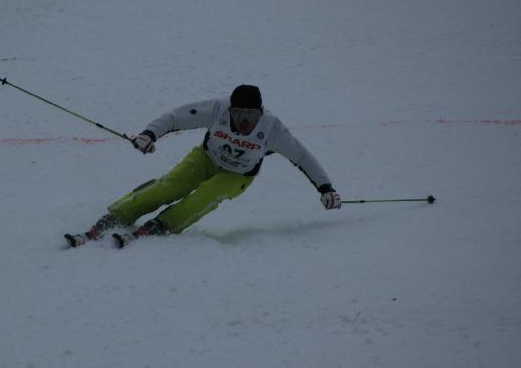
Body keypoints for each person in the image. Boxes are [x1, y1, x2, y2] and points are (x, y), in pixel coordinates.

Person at [64, 84, 341, 248]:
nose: (245, 122)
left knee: (205, 197)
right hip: (206, 158)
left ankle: (166, 224)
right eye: (239, 114)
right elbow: (176, 117)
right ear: (230, 109)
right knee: (170, 186)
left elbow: (302, 157)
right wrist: (150, 134)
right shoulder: (217, 109)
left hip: (238, 175)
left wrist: (326, 188)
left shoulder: (272, 128)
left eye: (251, 115)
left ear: (261, 113)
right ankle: (120, 214)